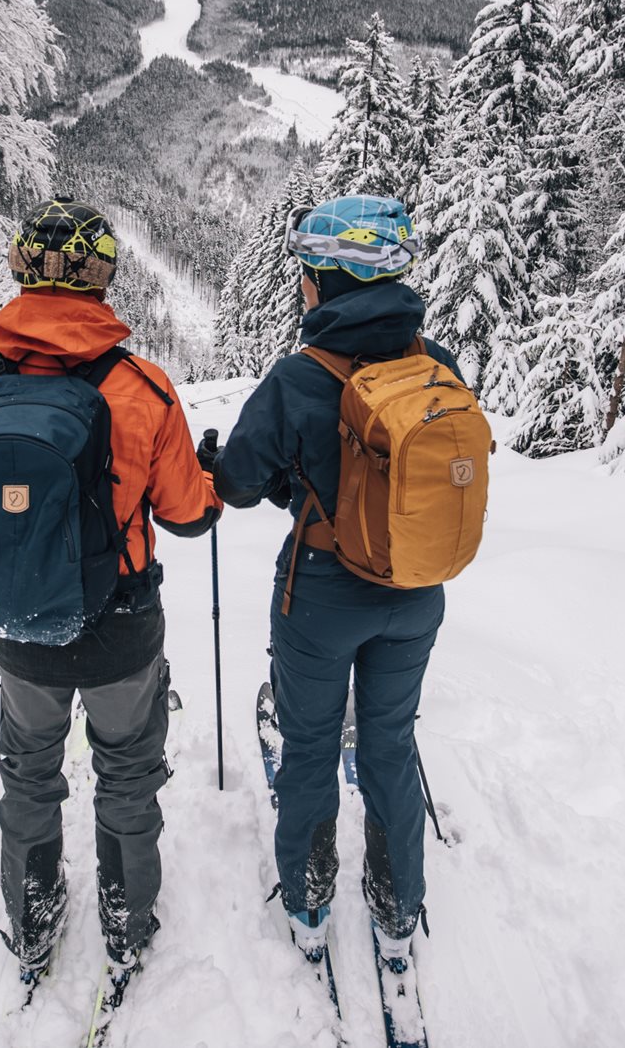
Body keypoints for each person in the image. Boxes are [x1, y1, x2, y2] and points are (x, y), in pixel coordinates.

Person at [0, 200, 220, 982]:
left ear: (21, 267)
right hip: (122, 627)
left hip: (20, 629)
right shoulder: (144, 389)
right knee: (127, 773)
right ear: (103, 278)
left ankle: (31, 914)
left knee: (28, 772)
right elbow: (190, 517)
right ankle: (125, 917)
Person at [200, 194, 451, 970]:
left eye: (310, 272)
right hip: (416, 592)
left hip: (322, 592)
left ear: (332, 280)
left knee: (309, 750)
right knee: (389, 746)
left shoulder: (300, 377)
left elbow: (239, 483)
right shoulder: (435, 364)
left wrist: (245, 472)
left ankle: (310, 905)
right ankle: (398, 910)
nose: (304, 285)